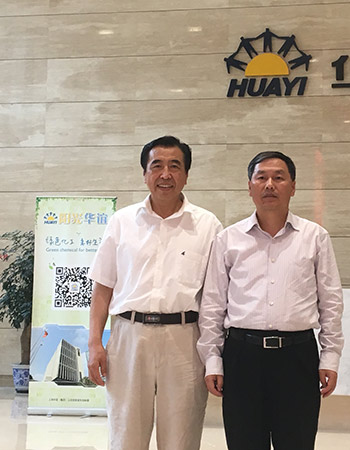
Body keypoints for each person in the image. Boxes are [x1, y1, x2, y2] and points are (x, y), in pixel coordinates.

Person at [197, 151, 344, 450]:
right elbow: (213, 304)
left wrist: (330, 356)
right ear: (249, 186)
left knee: (297, 442)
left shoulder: (315, 237)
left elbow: (330, 301)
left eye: (279, 177)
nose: (269, 185)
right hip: (242, 356)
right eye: (261, 177)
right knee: (244, 442)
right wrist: (213, 360)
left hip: (297, 357)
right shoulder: (228, 239)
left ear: (293, 186)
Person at [87, 135, 222, 450]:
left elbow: (215, 296)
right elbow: (103, 286)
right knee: (126, 434)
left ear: (186, 175)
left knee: (181, 437)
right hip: (129, 336)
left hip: (185, 339)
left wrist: (214, 353)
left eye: (175, 166)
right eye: (157, 165)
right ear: (145, 173)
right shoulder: (122, 222)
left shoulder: (208, 225)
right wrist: (94, 343)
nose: (166, 174)